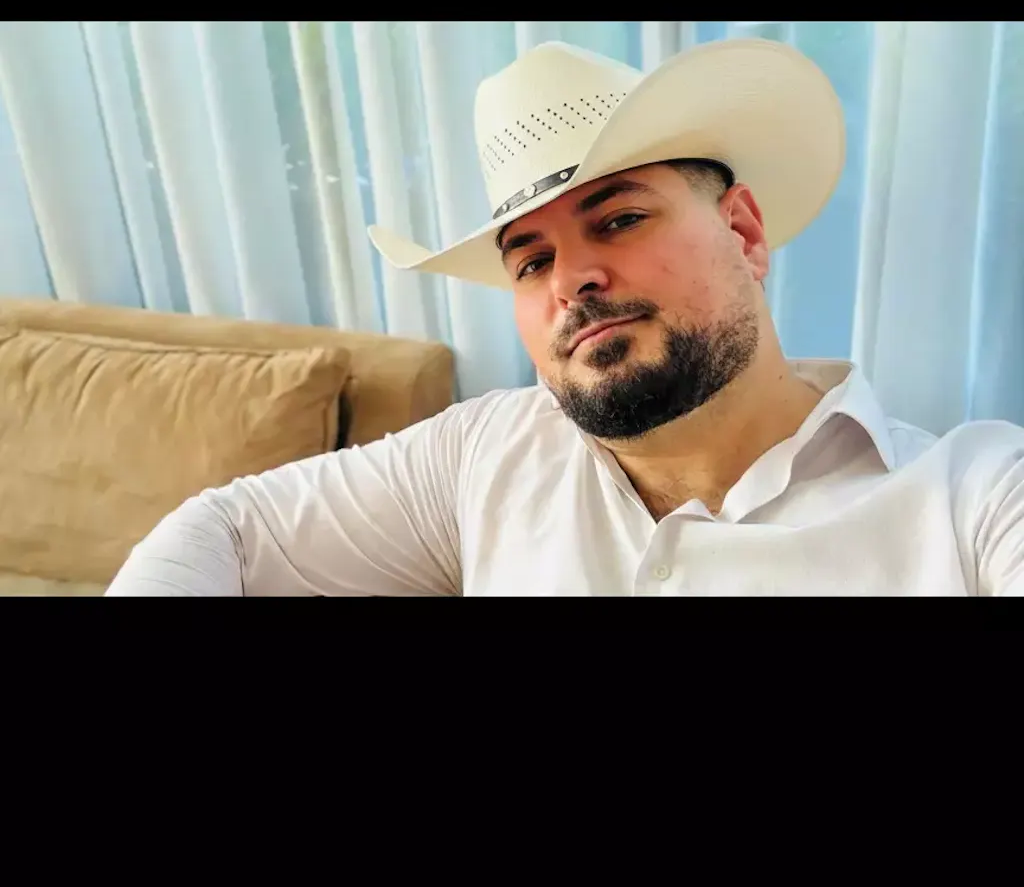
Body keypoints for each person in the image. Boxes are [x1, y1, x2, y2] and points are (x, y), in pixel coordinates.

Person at [106, 38, 1024, 596]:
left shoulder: (976, 498)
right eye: (532, 260)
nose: (572, 280)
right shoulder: (485, 453)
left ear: (743, 232)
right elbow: (224, 530)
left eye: (619, 219)